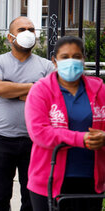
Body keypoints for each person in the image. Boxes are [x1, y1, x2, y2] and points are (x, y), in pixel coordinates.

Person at [25, 36, 105, 211]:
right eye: (65, 57)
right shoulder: (41, 90)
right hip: (49, 180)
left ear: (84, 59)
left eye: (77, 56)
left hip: (91, 180)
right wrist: (81, 139)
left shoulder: (99, 89)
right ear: (54, 61)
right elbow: (39, 132)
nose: (71, 61)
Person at [0, 16, 55, 211]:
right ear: (10, 37)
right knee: (0, 196)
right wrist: (34, 88)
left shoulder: (46, 65)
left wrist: (13, 91)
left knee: (31, 198)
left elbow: (51, 94)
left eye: (31, 29)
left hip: (35, 141)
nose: (27, 33)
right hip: (1, 138)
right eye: (22, 29)